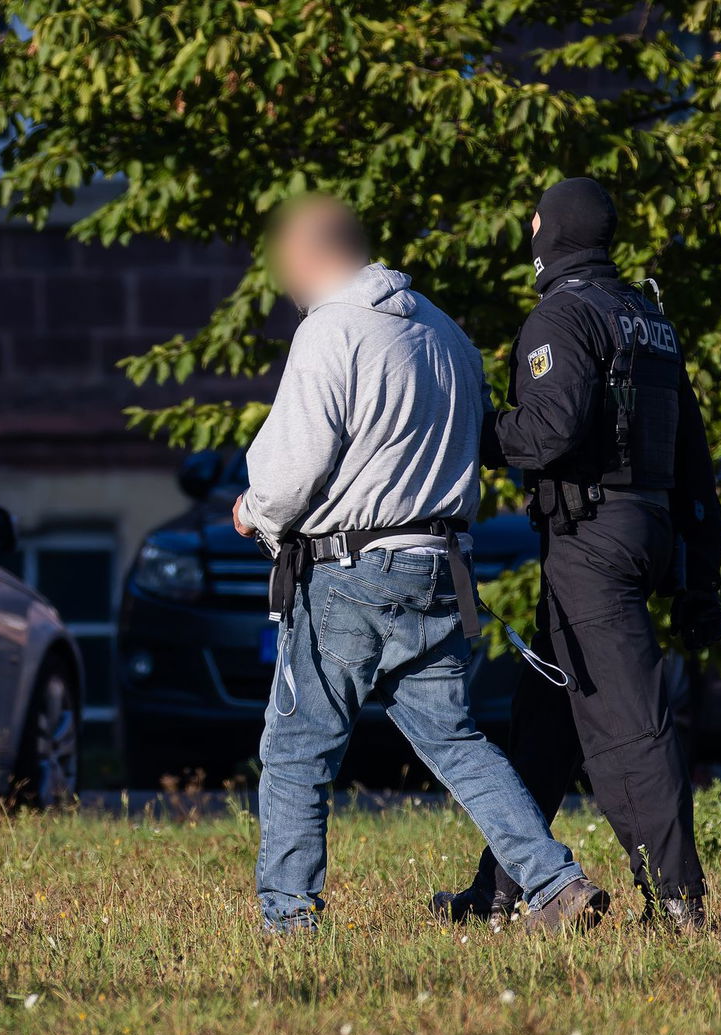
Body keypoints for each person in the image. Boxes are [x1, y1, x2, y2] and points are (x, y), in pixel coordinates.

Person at [232, 193, 607, 935]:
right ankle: (556, 882)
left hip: (351, 569)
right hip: (442, 567)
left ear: (313, 256)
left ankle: (289, 918)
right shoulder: (445, 332)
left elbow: (293, 467)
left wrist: (257, 512)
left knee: (299, 743)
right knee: (456, 740)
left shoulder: (330, 330)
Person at [432, 177, 721, 933]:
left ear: (553, 233)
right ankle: (500, 889)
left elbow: (547, 433)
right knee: (546, 724)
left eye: (534, 223)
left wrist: (475, 427)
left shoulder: (562, 314)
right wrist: (701, 573)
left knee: (627, 727)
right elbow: (692, 455)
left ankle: (678, 904)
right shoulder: (646, 318)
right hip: (641, 530)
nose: (529, 234)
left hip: (592, 545)